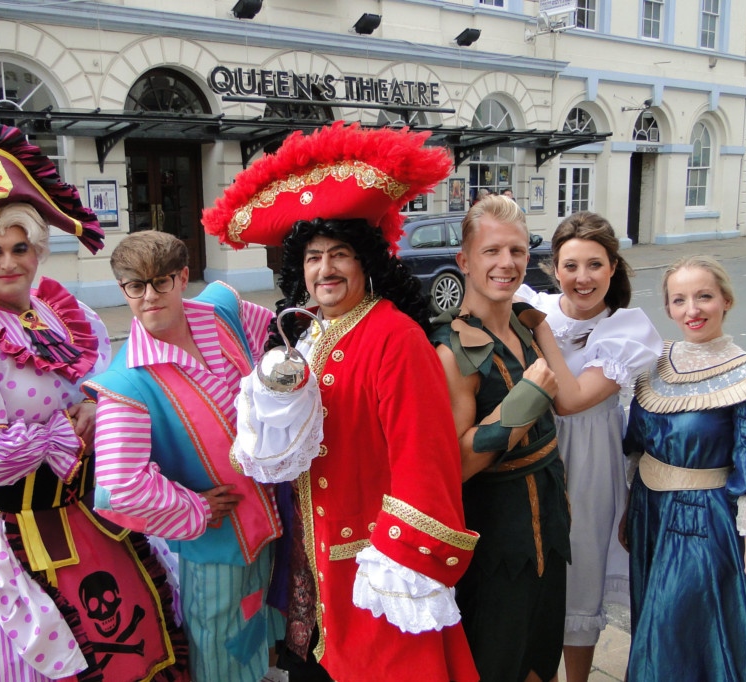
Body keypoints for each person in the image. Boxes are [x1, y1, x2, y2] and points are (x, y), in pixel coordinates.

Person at [0, 119, 190, 681]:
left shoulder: (64, 314)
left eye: (20, 247)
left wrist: (101, 408)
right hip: (5, 526)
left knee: (144, 621)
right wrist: (66, 428)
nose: (9, 263)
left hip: (82, 509)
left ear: (38, 249)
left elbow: (106, 386)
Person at [202, 122, 480, 682]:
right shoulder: (307, 334)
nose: (324, 269)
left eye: (340, 255)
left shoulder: (393, 335)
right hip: (314, 564)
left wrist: (401, 563)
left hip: (375, 566)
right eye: (312, 257)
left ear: (367, 263)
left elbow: (424, 459)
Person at [82, 230, 283, 682]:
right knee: (216, 642)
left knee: (257, 627)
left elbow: (272, 335)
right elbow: (118, 487)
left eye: (161, 282)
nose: (150, 296)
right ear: (123, 290)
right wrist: (193, 508)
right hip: (215, 546)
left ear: (183, 277)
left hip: (273, 518)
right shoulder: (126, 384)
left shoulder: (221, 312)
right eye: (136, 285)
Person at [622, 255, 746, 682]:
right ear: (668, 308)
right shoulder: (654, 364)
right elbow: (636, 447)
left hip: (704, 522)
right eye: (679, 299)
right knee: (656, 631)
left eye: (704, 296)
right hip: (651, 515)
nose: (693, 310)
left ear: (726, 300)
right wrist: (627, 513)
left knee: (677, 633)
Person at [515, 212, 662, 682]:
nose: (583, 278)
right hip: (530, 450)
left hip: (593, 460)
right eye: (571, 265)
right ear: (554, 268)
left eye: (595, 265)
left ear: (613, 268)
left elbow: (572, 400)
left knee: (581, 575)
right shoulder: (529, 303)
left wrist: (539, 330)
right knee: (533, 580)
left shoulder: (628, 330)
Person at [432, 194, 570, 682]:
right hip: (495, 540)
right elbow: (456, 465)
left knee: (541, 656)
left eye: (516, 251)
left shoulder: (525, 324)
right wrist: (525, 402)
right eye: (491, 251)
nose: (506, 263)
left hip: (550, 523)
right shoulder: (452, 351)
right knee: (497, 664)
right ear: (464, 261)